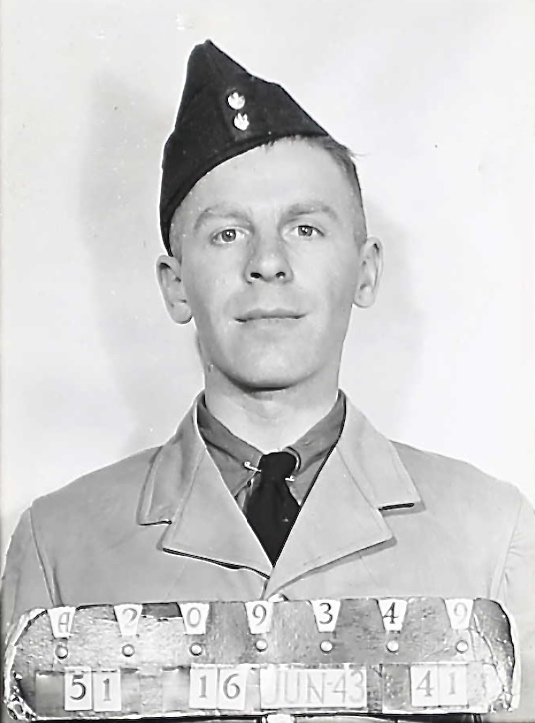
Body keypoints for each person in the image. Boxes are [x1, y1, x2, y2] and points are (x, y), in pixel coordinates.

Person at [1, 41, 534, 723]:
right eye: (227, 234)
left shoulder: (489, 535)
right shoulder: (59, 543)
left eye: (305, 228)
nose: (268, 263)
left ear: (366, 270)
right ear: (175, 285)